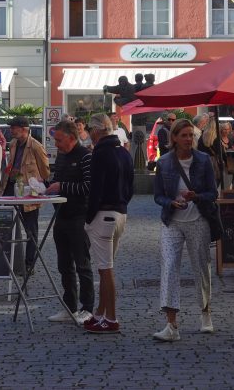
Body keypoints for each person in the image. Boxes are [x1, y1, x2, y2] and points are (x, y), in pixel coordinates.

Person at [153, 118, 218, 342]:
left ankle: (205, 313)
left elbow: (213, 193)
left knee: (201, 267)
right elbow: (158, 195)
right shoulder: (164, 163)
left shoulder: (203, 160)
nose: (189, 139)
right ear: (174, 138)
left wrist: (196, 196)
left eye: (192, 135)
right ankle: (171, 324)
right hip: (172, 221)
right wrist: (170, 202)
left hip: (198, 220)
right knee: (169, 267)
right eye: (184, 135)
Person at [82, 114, 135, 334]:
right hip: (120, 212)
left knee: (105, 269)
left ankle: (111, 317)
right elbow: (131, 186)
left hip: (103, 214)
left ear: (96, 130)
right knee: (106, 267)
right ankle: (100, 312)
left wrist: (88, 218)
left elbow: (96, 189)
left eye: (89, 131)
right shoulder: (123, 152)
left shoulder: (100, 153)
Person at [45, 120, 93, 325]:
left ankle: (87, 308)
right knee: (64, 265)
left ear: (72, 138)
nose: (56, 144)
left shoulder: (85, 156)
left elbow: (89, 187)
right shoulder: (62, 157)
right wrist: (44, 185)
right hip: (61, 215)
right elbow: (57, 182)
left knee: (82, 264)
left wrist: (61, 186)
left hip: (79, 216)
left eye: (59, 140)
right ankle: (70, 306)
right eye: (55, 139)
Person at [4, 115, 51, 272]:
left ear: (23, 129)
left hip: (29, 192)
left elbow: (45, 171)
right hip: (12, 187)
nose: (11, 130)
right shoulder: (14, 144)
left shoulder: (36, 146)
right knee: (9, 226)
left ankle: (29, 263)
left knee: (31, 229)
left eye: (13, 128)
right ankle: (10, 261)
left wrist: (37, 185)